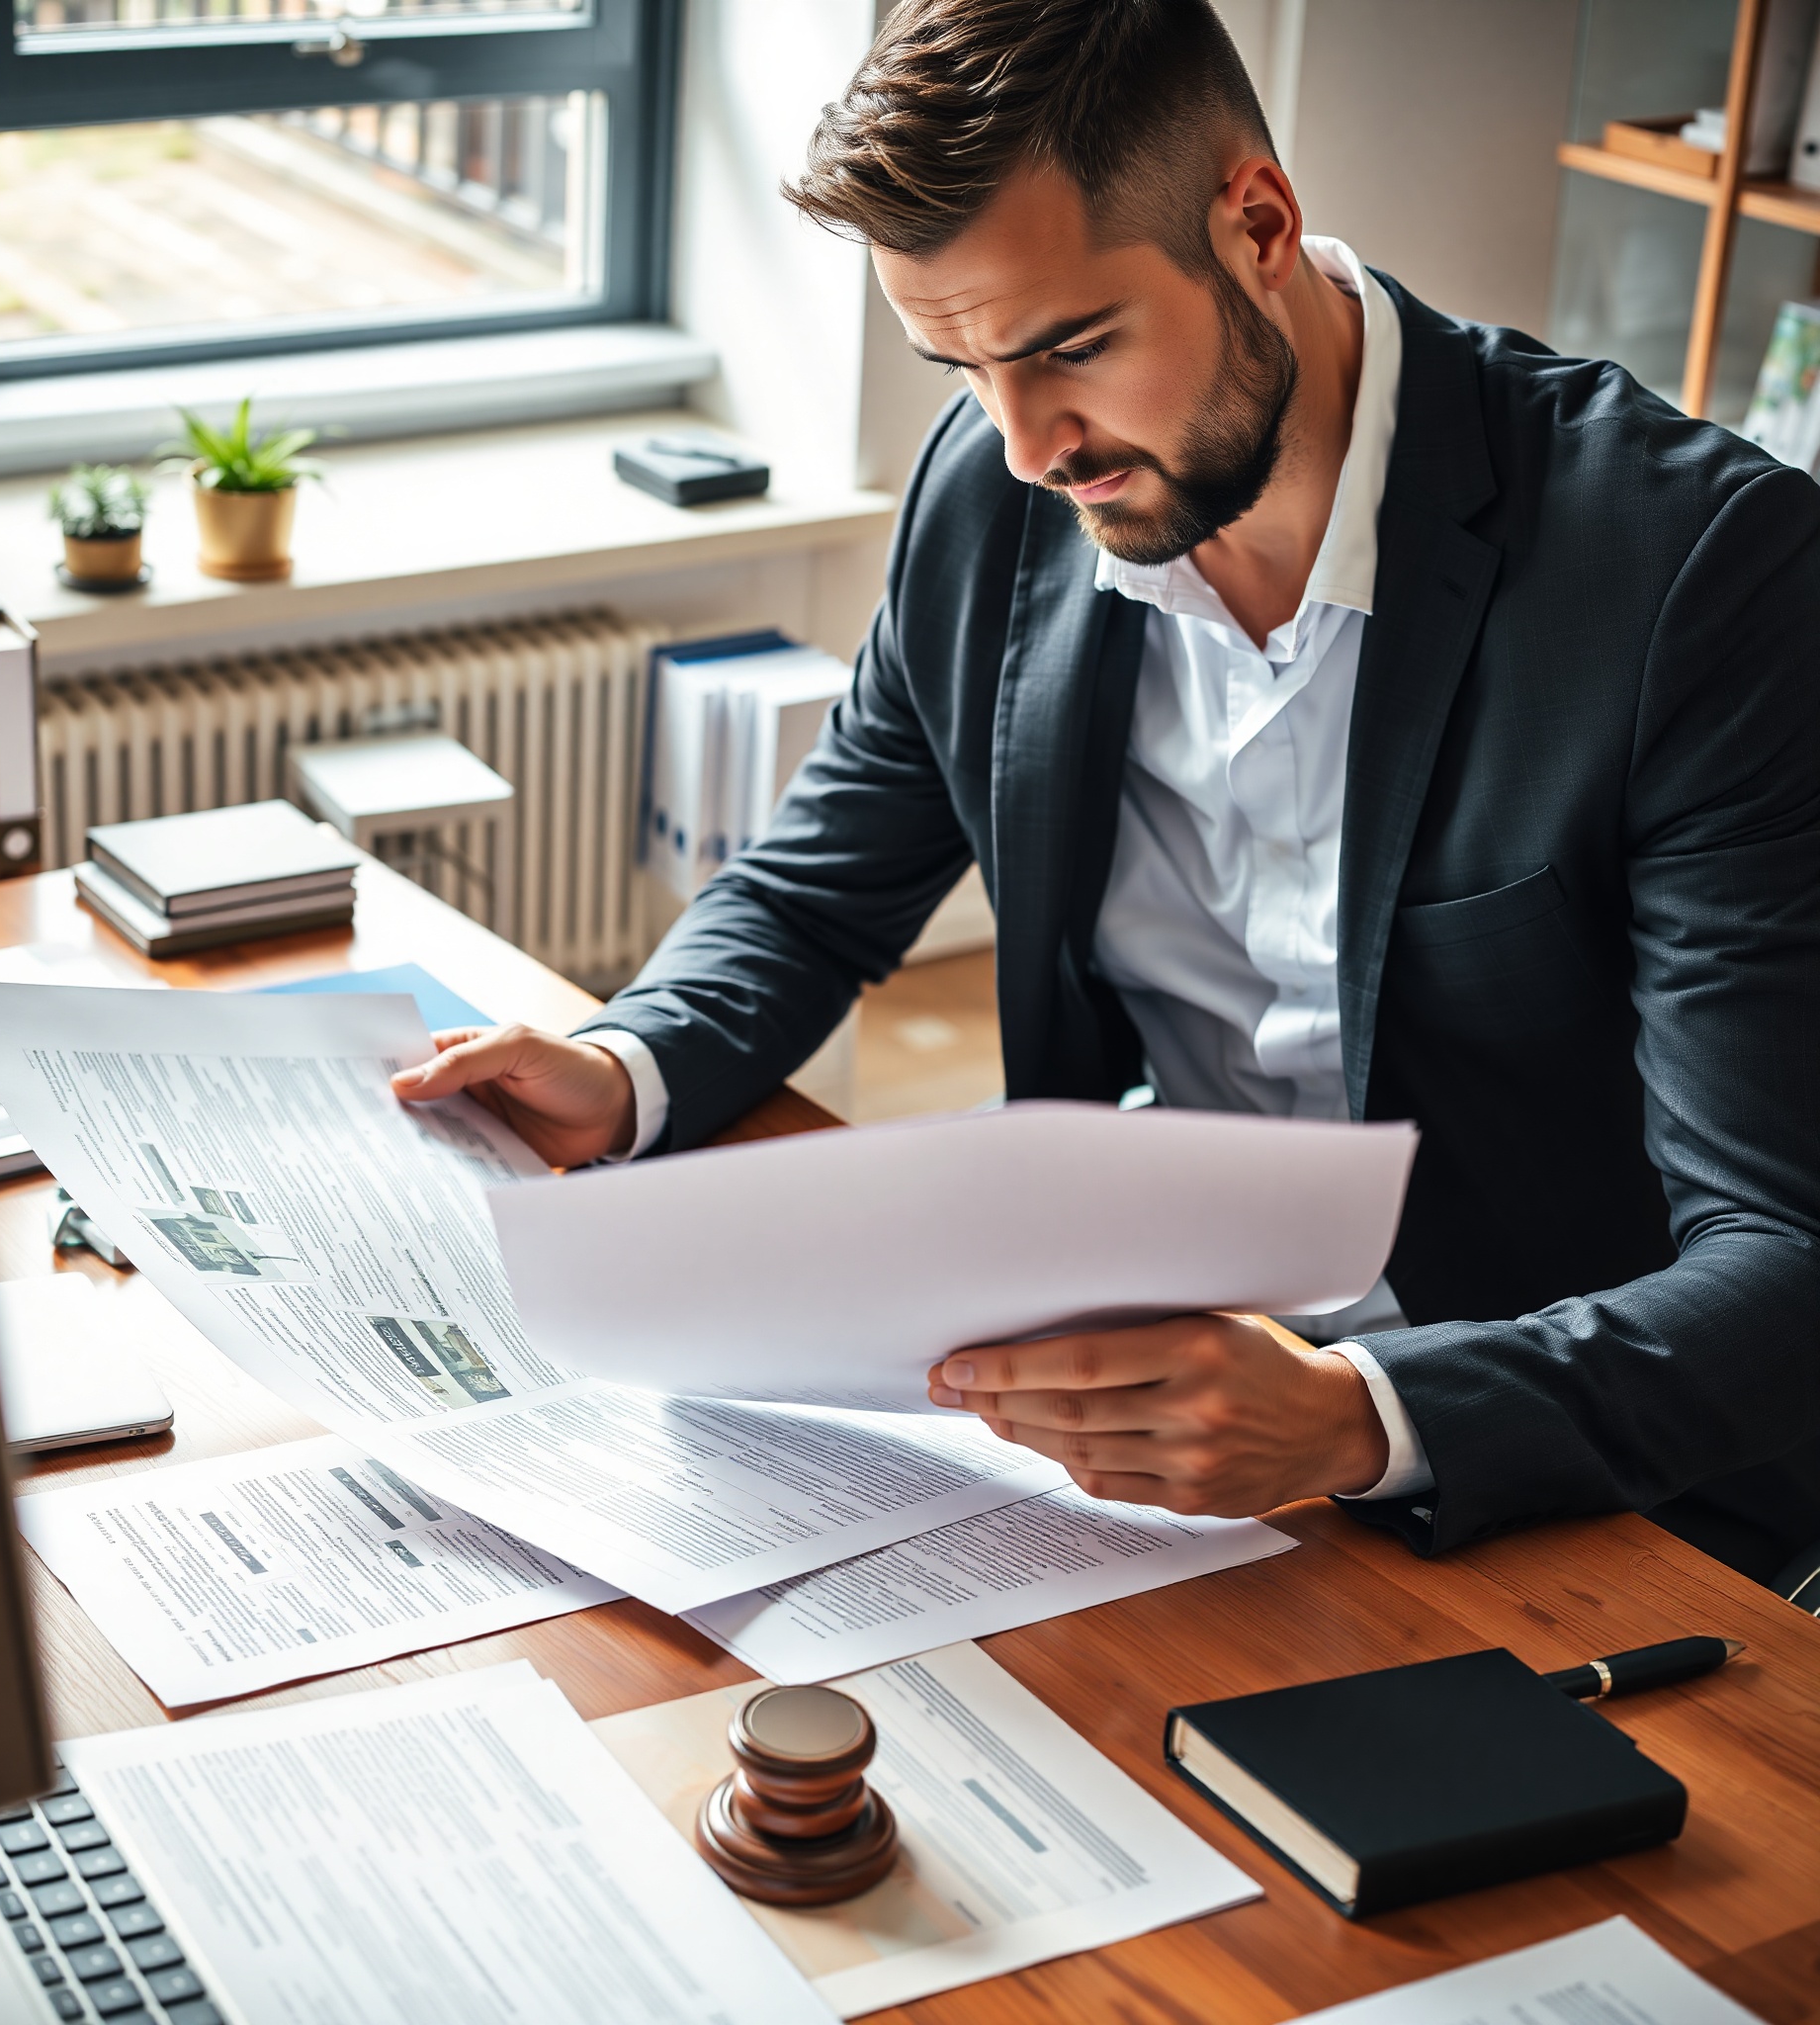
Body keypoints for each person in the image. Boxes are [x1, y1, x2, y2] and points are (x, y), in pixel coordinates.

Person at [392, 0, 1820, 1586]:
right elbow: (822, 878)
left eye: (1073, 347)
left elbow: (1786, 1260)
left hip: (1545, 1465)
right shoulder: (996, 490)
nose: (1023, 444)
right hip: (1140, 1406)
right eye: (961, 363)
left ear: (1257, 222)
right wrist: (628, 1059)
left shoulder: (1693, 577)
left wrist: (1362, 1417)